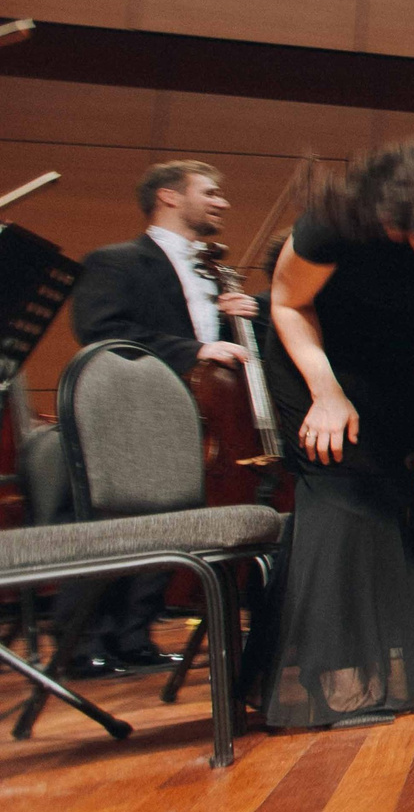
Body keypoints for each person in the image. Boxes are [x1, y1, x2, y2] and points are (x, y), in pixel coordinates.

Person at [262, 141, 414, 729]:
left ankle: (378, 674)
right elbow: (287, 303)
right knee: (342, 509)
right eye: (409, 232)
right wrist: (325, 393)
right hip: (322, 363)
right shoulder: (333, 224)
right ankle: (339, 685)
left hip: (398, 367)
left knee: (388, 508)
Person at [62, 160, 263, 679]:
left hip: (194, 417)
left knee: (171, 523)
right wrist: (197, 347)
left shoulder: (208, 272)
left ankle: (134, 637)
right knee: (120, 525)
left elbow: (210, 341)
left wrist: (231, 316)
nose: (222, 202)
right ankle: (80, 643)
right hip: (132, 418)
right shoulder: (116, 261)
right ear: (169, 197)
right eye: (211, 192)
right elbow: (102, 331)